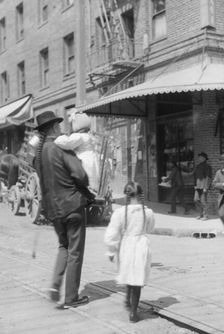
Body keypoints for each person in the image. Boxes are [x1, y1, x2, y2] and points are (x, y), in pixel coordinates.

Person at [34, 111, 95, 309]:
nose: (61, 129)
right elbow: (80, 174)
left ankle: (55, 285)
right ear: (53, 128)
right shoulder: (60, 148)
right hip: (72, 206)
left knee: (63, 247)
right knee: (75, 252)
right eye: (58, 126)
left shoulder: (40, 153)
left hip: (53, 211)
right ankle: (71, 297)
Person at [104, 181, 155, 323]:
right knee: (137, 278)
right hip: (141, 246)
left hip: (126, 246)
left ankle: (127, 298)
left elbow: (112, 233)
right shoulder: (148, 212)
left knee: (128, 272)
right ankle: (133, 312)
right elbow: (150, 229)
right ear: (141, 195)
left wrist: (110, 250)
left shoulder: (120, 213)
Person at [54, 110, 99, 193]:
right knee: (93, 177)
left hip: (83, 160)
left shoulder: (79, 137)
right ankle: (93, 191)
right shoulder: (89, 136)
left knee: (84, 176)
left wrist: (60, 137)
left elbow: (66, 143)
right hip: (91, 159)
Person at [194, 152, 212, 220]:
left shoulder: (207, 166)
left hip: (203, 186)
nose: (199, 158)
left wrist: (206, 187)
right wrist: (195, 185)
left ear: (204, 159)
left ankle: (205, 216)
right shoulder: (198, 166)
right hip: (198, 186)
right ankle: (200, 214)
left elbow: (208, 177)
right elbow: (195, 176)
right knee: (196, 200)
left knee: (203, 201)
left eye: (201, 157)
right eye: (199, 157)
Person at [212, 154, 224, 223]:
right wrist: (222, 184)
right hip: (222, 196)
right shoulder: (218, 173)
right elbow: (214, 184)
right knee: (221, 214)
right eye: (221, 162)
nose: (221, 164)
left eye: (222, 162)